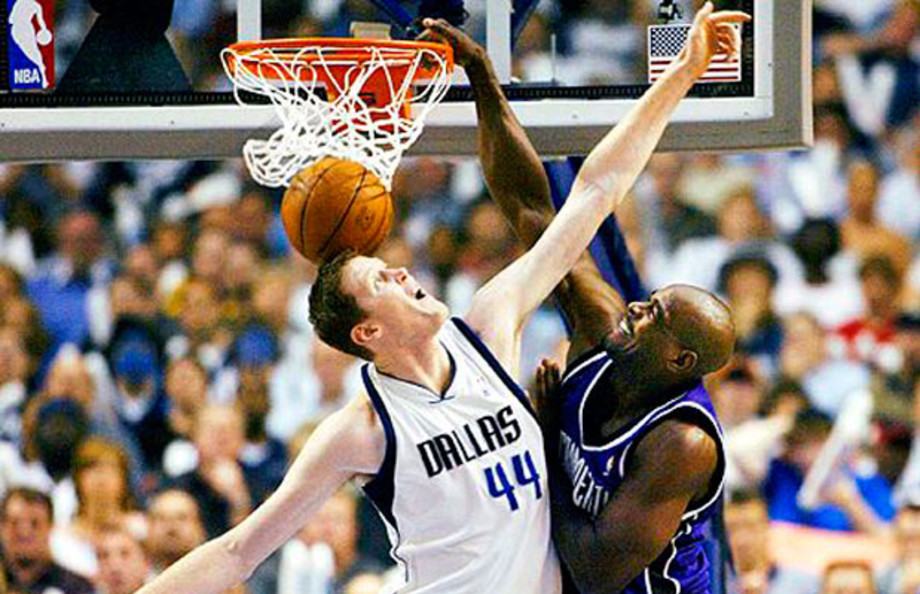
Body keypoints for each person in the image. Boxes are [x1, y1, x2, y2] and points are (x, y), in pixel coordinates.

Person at [136, 5, 742, 594]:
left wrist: (682, 73)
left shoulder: (489, 329)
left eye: (389, 267)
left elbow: (595, 191)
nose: (401, 273)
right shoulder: (362, 429)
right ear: (367, 333)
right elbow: (240, 550)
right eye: (381, 282)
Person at [440, 4, 746, 592]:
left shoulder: (681, 443)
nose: (635, 307)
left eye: (653, 315)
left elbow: (596, 570)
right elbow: (532, 211)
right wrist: (482, 81)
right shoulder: (601, 326)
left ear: (679, 359)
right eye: (648, 300)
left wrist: (541, 434)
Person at [0, 487, 94, 594]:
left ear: (50, 528)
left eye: (34, 524)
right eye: (14, 523)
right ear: (1, 527)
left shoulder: (76, 588)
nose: (24, 532)